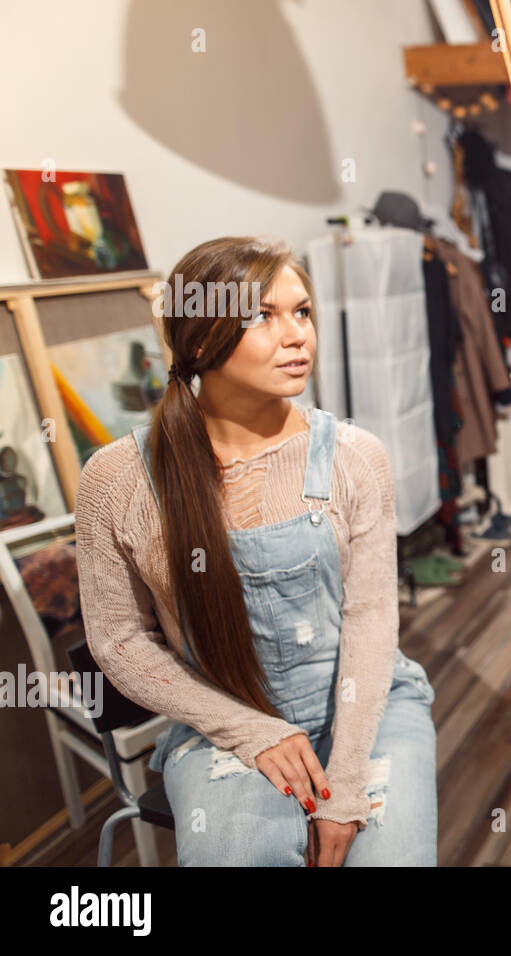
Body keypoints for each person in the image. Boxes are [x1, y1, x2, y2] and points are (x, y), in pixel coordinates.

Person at [74, 236, 437, 866]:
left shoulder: (356, 456)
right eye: (263, 316)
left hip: (364, 707)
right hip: (224, 720)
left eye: (302, 312)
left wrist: (346, 781)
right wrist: (250, 729)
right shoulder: (118, 478)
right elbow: (119, 641)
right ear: (198, 339)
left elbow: (372, 617)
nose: (297, 335)